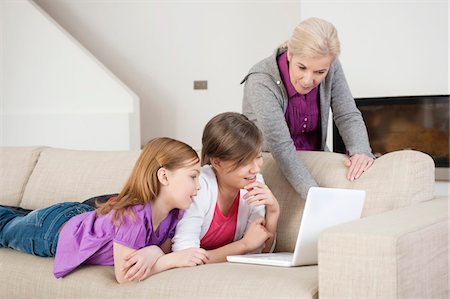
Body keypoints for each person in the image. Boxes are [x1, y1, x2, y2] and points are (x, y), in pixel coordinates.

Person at [0, 137, 209, 283]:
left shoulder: (174, 213)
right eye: (193, 176)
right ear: (164, 177)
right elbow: (124, 276)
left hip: (82, 215)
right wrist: (169, 258)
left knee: (18, 215)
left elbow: (160, 249)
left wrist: (155, 251)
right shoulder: (134, 216)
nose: (198, 186)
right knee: (5, 225)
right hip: (52, 231)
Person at [241, 17, 375, 200]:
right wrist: (316, 196)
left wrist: (361, 150)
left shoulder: (332, 66)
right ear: (290, 54)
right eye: (302, 67)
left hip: (315, 157)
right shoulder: (261, 80)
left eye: (320, 72)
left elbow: (347, 114)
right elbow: (281, 147)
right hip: (274, 162)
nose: (307, 80)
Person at [171, 112, 280, 262]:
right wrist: (243, 245)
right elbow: (185, 255)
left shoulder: (254, 183)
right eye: (244, 162)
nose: (255, 169)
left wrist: (274, 211)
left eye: (259, 157)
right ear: (217, 163)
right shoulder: (198, 187)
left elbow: (258, 251)